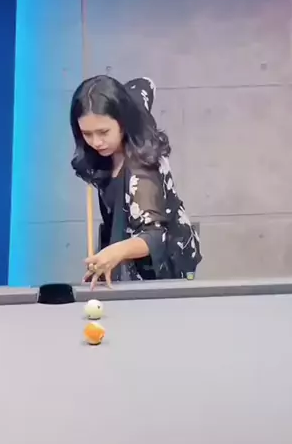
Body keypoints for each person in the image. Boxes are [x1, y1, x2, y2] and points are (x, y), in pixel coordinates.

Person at [70, 74, 201, 287]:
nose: (96, 142)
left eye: (103, 132)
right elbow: (145, 84)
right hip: (125, 234)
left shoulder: (141, 171)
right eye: (87, 133)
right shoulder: (132, 107)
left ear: (123, 122)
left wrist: (114, 252)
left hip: (164, 262)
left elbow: (154, 237)